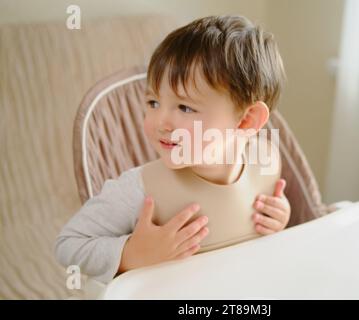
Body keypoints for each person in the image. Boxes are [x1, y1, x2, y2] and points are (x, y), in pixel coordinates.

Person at [55, 15, 291, 284]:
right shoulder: (139, 190)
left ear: (246, 120)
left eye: (184, 107)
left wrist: (279, 219)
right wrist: (132, 253)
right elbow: (68, 246)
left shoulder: (265, 162)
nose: (160, 122)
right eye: (153, 102)